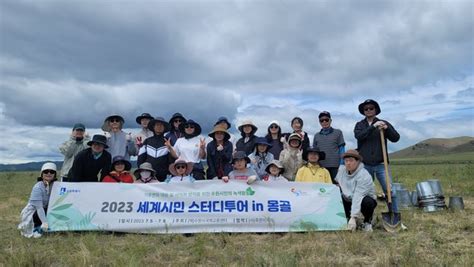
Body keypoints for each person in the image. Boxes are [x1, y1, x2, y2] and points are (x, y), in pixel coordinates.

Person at [354, 99, 400, 212]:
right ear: (363, 111)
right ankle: (367, 218)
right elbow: (359, 136)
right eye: (366, 109)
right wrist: (373, 127)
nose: (369, 110)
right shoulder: (360, 125)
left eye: (371, 108)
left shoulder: (384, 123)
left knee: (390, 191)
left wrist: (387, 129)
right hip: (365, 165)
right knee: (365, 192)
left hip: (381, 164)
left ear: (376, 110)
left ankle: (394, 215)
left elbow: (396, 138)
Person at [335, 149, 377, 232]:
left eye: (351, 160)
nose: (348, 163)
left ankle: (367, 222)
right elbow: (337, 183)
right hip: (348, 198)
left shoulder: (364, 175)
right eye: (346, 161)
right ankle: (345, 219)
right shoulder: (342, 171)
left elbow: (358, 196)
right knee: (337, 195)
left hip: (362, 199)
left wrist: (353, 217)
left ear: (358, 162)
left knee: (367, 202)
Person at [18, 162, 58, 238]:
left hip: (46, 209)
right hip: (33, 212)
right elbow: (39, 208)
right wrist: (45, 222)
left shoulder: (54, 185)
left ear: (55, 174)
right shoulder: (38, 188)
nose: (49, 173)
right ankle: (37, 227)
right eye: (46, 171)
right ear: (42, 174)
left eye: (52, 172)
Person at [137, 117, 175, 182]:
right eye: (157, 125)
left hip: (165, 177)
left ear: (164, 128)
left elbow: (172, 160)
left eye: (161, 125)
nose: (159, 127)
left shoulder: (168, 142)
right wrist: (142, 173)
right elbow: (140, 159)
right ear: (153, 127)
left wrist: (170, 174)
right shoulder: (147, 141)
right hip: (149, 176)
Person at [313, 111, 345, 183]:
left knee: (337, 187)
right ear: (319, 122)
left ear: (330, 120)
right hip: (321, 166)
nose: (324, 122)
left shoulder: (338, 132)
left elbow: (342, 149)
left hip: (336, 166)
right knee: (322, 188)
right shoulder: (316, 135)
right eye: (322, 120)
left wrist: (342, 164)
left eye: (326, 120)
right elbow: (314, 152)